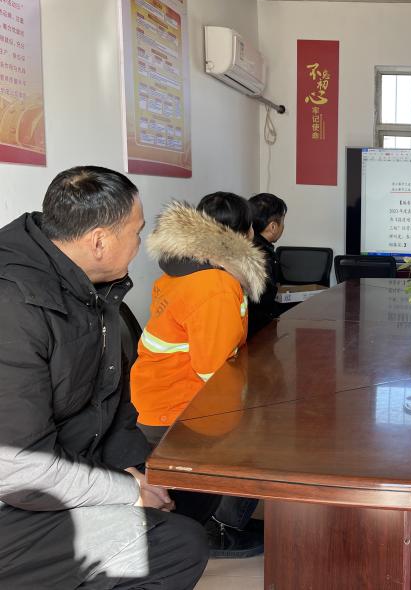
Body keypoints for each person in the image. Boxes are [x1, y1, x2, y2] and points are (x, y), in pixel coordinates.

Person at [0, 166, 208, 589]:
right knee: (174, 546)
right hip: (15, 494)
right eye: (137, 232)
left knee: (184, 495)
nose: (140, 245)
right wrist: (125, 491)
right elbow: (21, 470)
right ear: (98, 241)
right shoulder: (15, 305)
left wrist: (133, 471)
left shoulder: (87, 283)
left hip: (56, 467)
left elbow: (108, 399)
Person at [130, 192, 268, 558]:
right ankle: (219, 529)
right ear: (244, 233)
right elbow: (214, 371)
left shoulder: (181, 269)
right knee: (262, 443)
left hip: (154, 395)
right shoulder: (216, 285)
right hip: (179, 406)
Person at [247, 192, 287, 334]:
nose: (283, 226)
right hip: (259, 331)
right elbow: (265, 300)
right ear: (273, 227)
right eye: (283, 221)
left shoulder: (247, 246)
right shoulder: (263, 255)